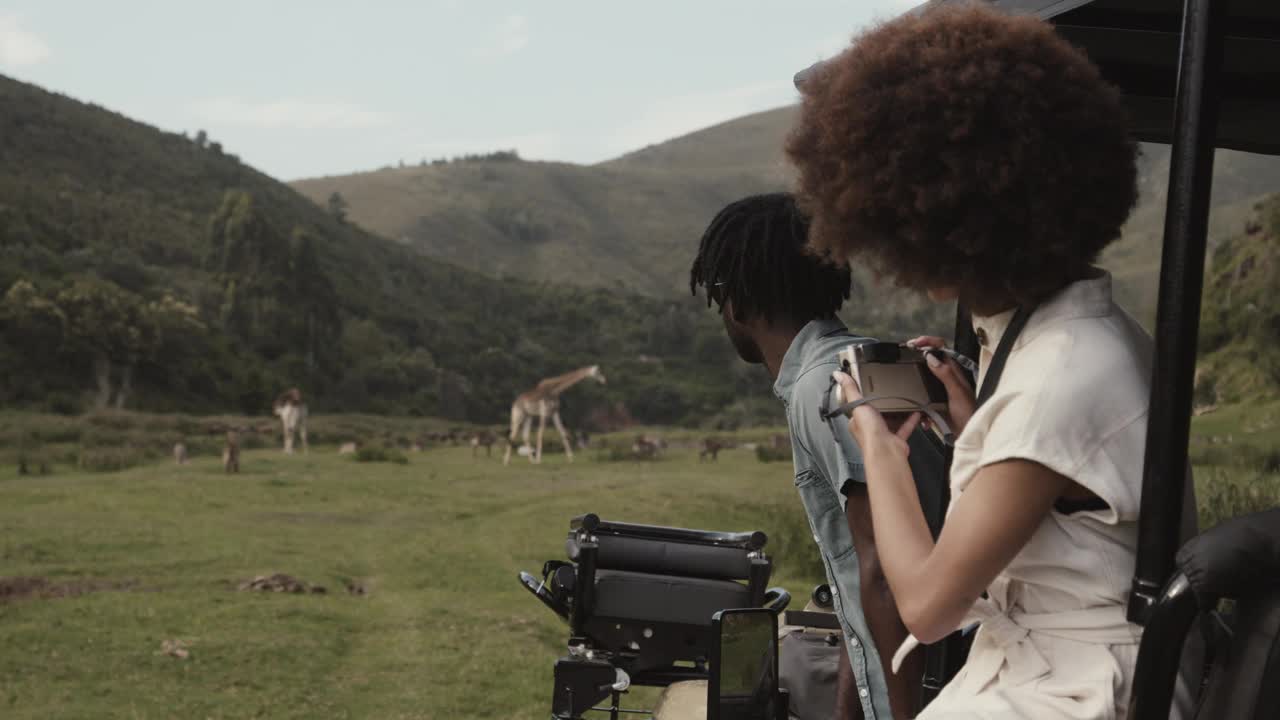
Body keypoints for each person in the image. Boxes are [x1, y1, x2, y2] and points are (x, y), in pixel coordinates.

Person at [786, 5, 1197, 718]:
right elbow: (1064, 508)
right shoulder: (1084, 338)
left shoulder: (1058, 376)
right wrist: (977, 425)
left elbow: (927, 608)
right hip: (1058, 665)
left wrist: (875, 444)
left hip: (1072, 690)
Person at [690, 192, 948, 719]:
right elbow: (855, 575)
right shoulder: (859, 361)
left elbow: (882, 571)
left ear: (735, 302)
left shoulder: (820, 389)